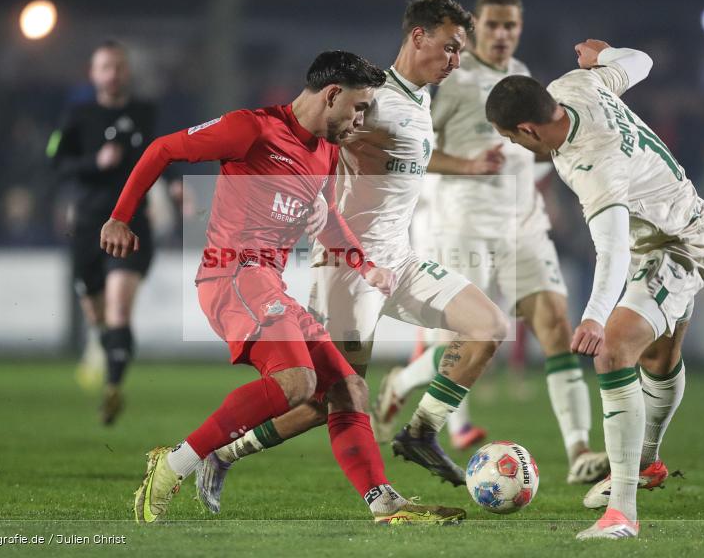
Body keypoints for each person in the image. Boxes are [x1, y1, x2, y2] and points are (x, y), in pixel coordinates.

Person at [100, 50, 466, 525]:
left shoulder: (326, 151)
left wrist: (364, 265)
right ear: (331, 95)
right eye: (358, 108)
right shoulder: (251, 128)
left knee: (348, 389)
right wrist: (120, 217)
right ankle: (174, 464)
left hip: (268, 285)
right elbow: (162, 149)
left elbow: (325, 217)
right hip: (232, 276)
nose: (361, 121)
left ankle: (385, 505)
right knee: (298, 383)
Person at [199, 0, 509, 513]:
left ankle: (420, 432)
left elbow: (407, 156)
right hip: (350, 270)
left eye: (461, 50)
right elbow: (310, 134)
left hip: (400, 261)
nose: (457, 59)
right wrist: (297, 199)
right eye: (451, 47)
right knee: (331, 399)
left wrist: (469, 167)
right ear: (418, 37)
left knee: (489, 326)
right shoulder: (371, 98)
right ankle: (224, 452)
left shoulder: (418, 98)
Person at [485, 39, 704, 539]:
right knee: (659, 357)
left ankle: (622, 513)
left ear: (528, 128)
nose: (517, 147)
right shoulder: (575, 85)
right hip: (667, 228)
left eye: (512, 138)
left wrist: (594, 316)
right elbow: (643, 62)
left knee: (613, 351)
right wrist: (607, 55)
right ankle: (647, 463)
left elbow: (611, 250)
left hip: (678, 244)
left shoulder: (594, 165)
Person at [373, 0, 609, 484]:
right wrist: (468, 165)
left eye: (511, 25)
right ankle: (405, 381)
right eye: (494, 25)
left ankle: (579, 451)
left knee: (556, 325)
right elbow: (415, 150)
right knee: (475, 336)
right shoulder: (452, 83)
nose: (503, 34)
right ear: (477, 28)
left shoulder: (520, 74)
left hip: (523, 224)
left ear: (520, 29)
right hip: (465, 226)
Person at [48, 40, 157, 424]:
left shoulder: (145, 112)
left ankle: (112, 388)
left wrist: (176, 185)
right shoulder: (78, 115)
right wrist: (95, 162)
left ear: (128, 72)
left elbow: (161, 155)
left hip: (131, 223)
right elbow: (55, 159)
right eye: (106, 67)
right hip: (87, 226)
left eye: (119, 67)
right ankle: (105, 345)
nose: (113, 74)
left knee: (118, 308)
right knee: (97, 315)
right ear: (93, 74)